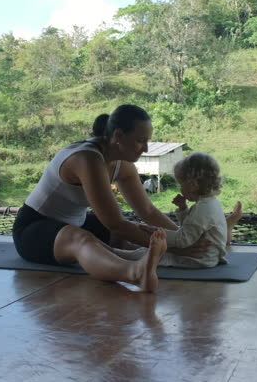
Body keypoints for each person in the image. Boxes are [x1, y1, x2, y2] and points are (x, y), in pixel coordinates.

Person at [13, 104, 210, 292]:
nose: (146, 149)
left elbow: (147, 211)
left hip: (75, 223)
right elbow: (116, 223)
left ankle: (143, 258)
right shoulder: (87, 159)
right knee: (83, 238)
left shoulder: (122, 165)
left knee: (123, 235)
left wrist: (184, 238)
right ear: (118, 136)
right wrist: (178, 246)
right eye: (140, 140)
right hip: (34, 230)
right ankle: (134, 273)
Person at [111, 152, 243, 268]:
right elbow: (190, 227)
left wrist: (157, 233)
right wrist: (183, 209)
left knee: (152, 254)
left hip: (198, 259)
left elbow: (183, 239)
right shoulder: (209, 203)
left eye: (181, 184)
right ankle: (120, 251)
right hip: (207, 257)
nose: (180, 189)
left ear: (193, 185)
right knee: (156, 250)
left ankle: (115, 254)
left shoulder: (203, 208)